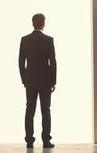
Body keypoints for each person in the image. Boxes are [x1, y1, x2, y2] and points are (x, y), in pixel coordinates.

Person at [18, 13, 56, 148]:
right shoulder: (48, 40)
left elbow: (21, 62)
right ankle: (46, 140)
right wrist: (54, 81)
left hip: (30, 80)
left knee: (30, 110)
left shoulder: (25, 40)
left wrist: (24, 79)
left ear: (33, 23)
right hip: (45, 80)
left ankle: (29, 140)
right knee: (45, 110)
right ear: (43, 24)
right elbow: (53, 62)